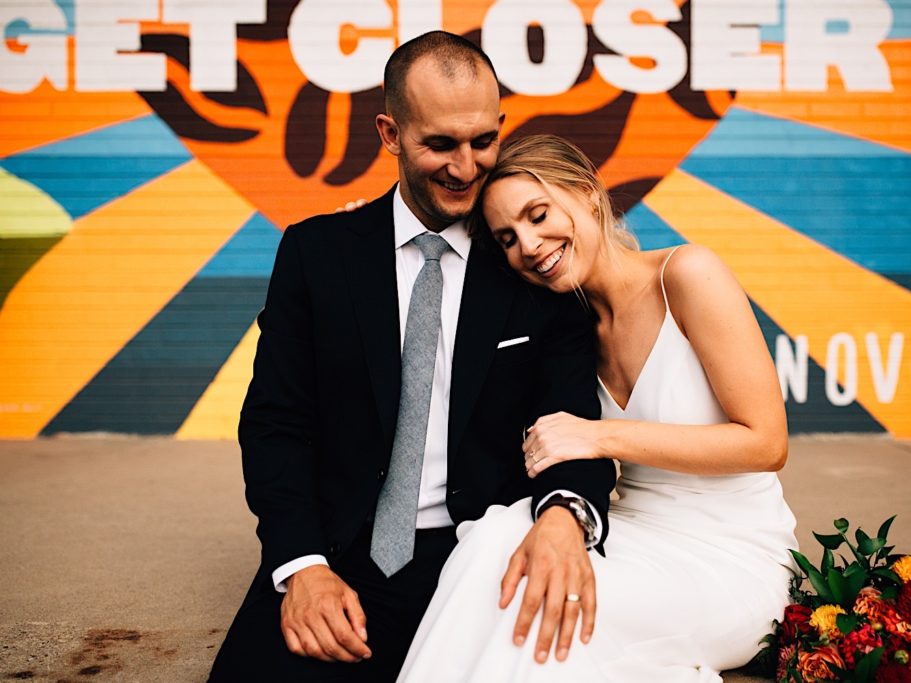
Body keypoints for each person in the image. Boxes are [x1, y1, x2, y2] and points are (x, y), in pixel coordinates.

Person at [208, 35, 617, 682]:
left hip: (487, 553)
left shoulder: (531, 262)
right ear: (390, 133)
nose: (466, 166)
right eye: (440, 145)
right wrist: (303, 565)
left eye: (483, 141)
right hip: (341, 551)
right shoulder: (316, 255)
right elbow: (276, 423)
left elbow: (570, 413)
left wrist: (565, 513)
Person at [398, 134, 798, 683]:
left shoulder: (687, 274)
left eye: (539, 215)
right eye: (508, 239)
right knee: (497, 539)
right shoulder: (565, 326)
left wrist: (600, 437)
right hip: (635, 534)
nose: (530, 245)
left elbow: (766, 443)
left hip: (731, 558)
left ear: (587, 192)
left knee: (544, 608)